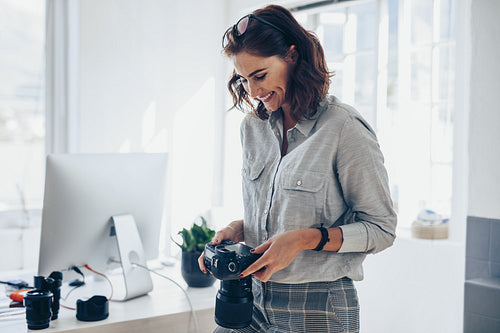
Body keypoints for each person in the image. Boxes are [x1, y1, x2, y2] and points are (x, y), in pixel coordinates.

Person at [199, 4, 397, 333]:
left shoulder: (343, 128)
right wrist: (241, 228)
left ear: (292, 56)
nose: (253, 91)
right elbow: (278, 209)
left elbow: (382, 229)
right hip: (251, 298)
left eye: (260, 75)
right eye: (243, 79)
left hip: (318, 308)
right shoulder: (253, 128)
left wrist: (305, 239)